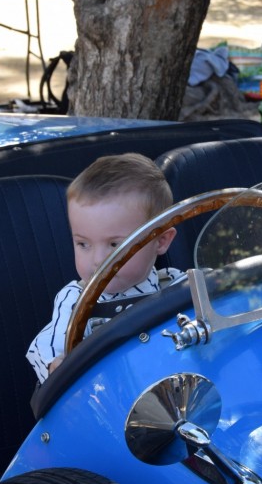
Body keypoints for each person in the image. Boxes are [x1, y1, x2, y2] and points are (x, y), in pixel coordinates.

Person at [26, 153, 182, 383]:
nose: (98, 260)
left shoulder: (176, 285)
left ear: (160, 241)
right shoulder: (76, 301)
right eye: (83, 244)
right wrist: (57, 366)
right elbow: (52, 345)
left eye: (114, 245)